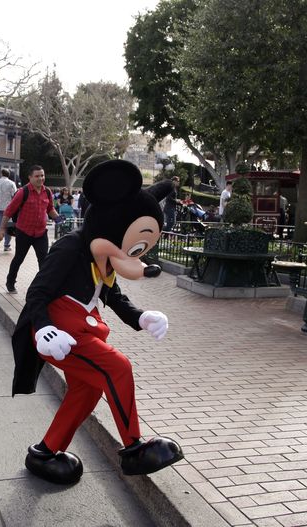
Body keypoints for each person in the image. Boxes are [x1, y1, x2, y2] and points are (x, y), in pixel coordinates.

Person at [12, 159, 183, 485]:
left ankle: (46, 451)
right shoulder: (71, 246)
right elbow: (37, 291)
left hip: (83, 328)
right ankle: (133, 447)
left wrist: (141, 317)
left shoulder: (102, 254)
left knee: (87, 391)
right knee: (117, 367)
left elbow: (113, 295)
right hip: (60, 333)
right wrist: (45, 328)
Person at [0, 165, 61, 294]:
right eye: (37, 176)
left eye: (42, 175)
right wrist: (1, 229)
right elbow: (9, 211)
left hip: (41, 233)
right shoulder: (23, 192)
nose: (40, 178)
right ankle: (10, 282)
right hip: (24, 232)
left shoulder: (47, 192)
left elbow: (50, 209)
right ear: (30, 177)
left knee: (44, 261)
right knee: (19, 259)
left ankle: (43, 287)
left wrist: (59, 219)